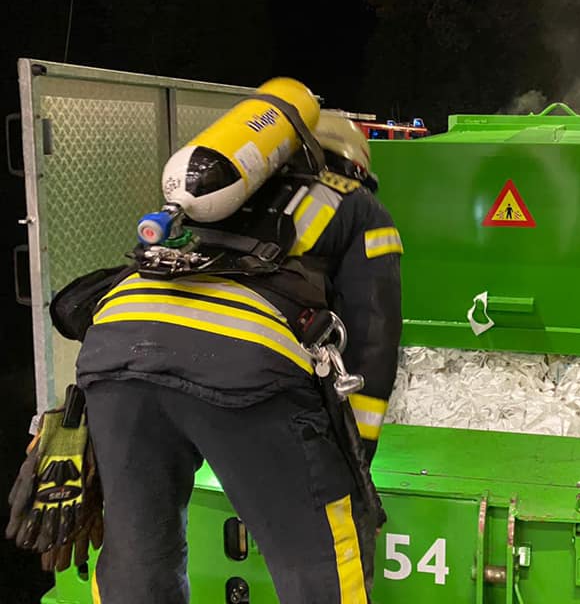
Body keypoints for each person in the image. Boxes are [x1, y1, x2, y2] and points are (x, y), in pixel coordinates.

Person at [60, 110, 401, 603]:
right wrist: (355, 456)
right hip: (247, 370)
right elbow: (373, 337)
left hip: (113, 352)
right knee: (318, 557)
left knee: (137, 557)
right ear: (356, 166)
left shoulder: (203, 199)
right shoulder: (357, 206)